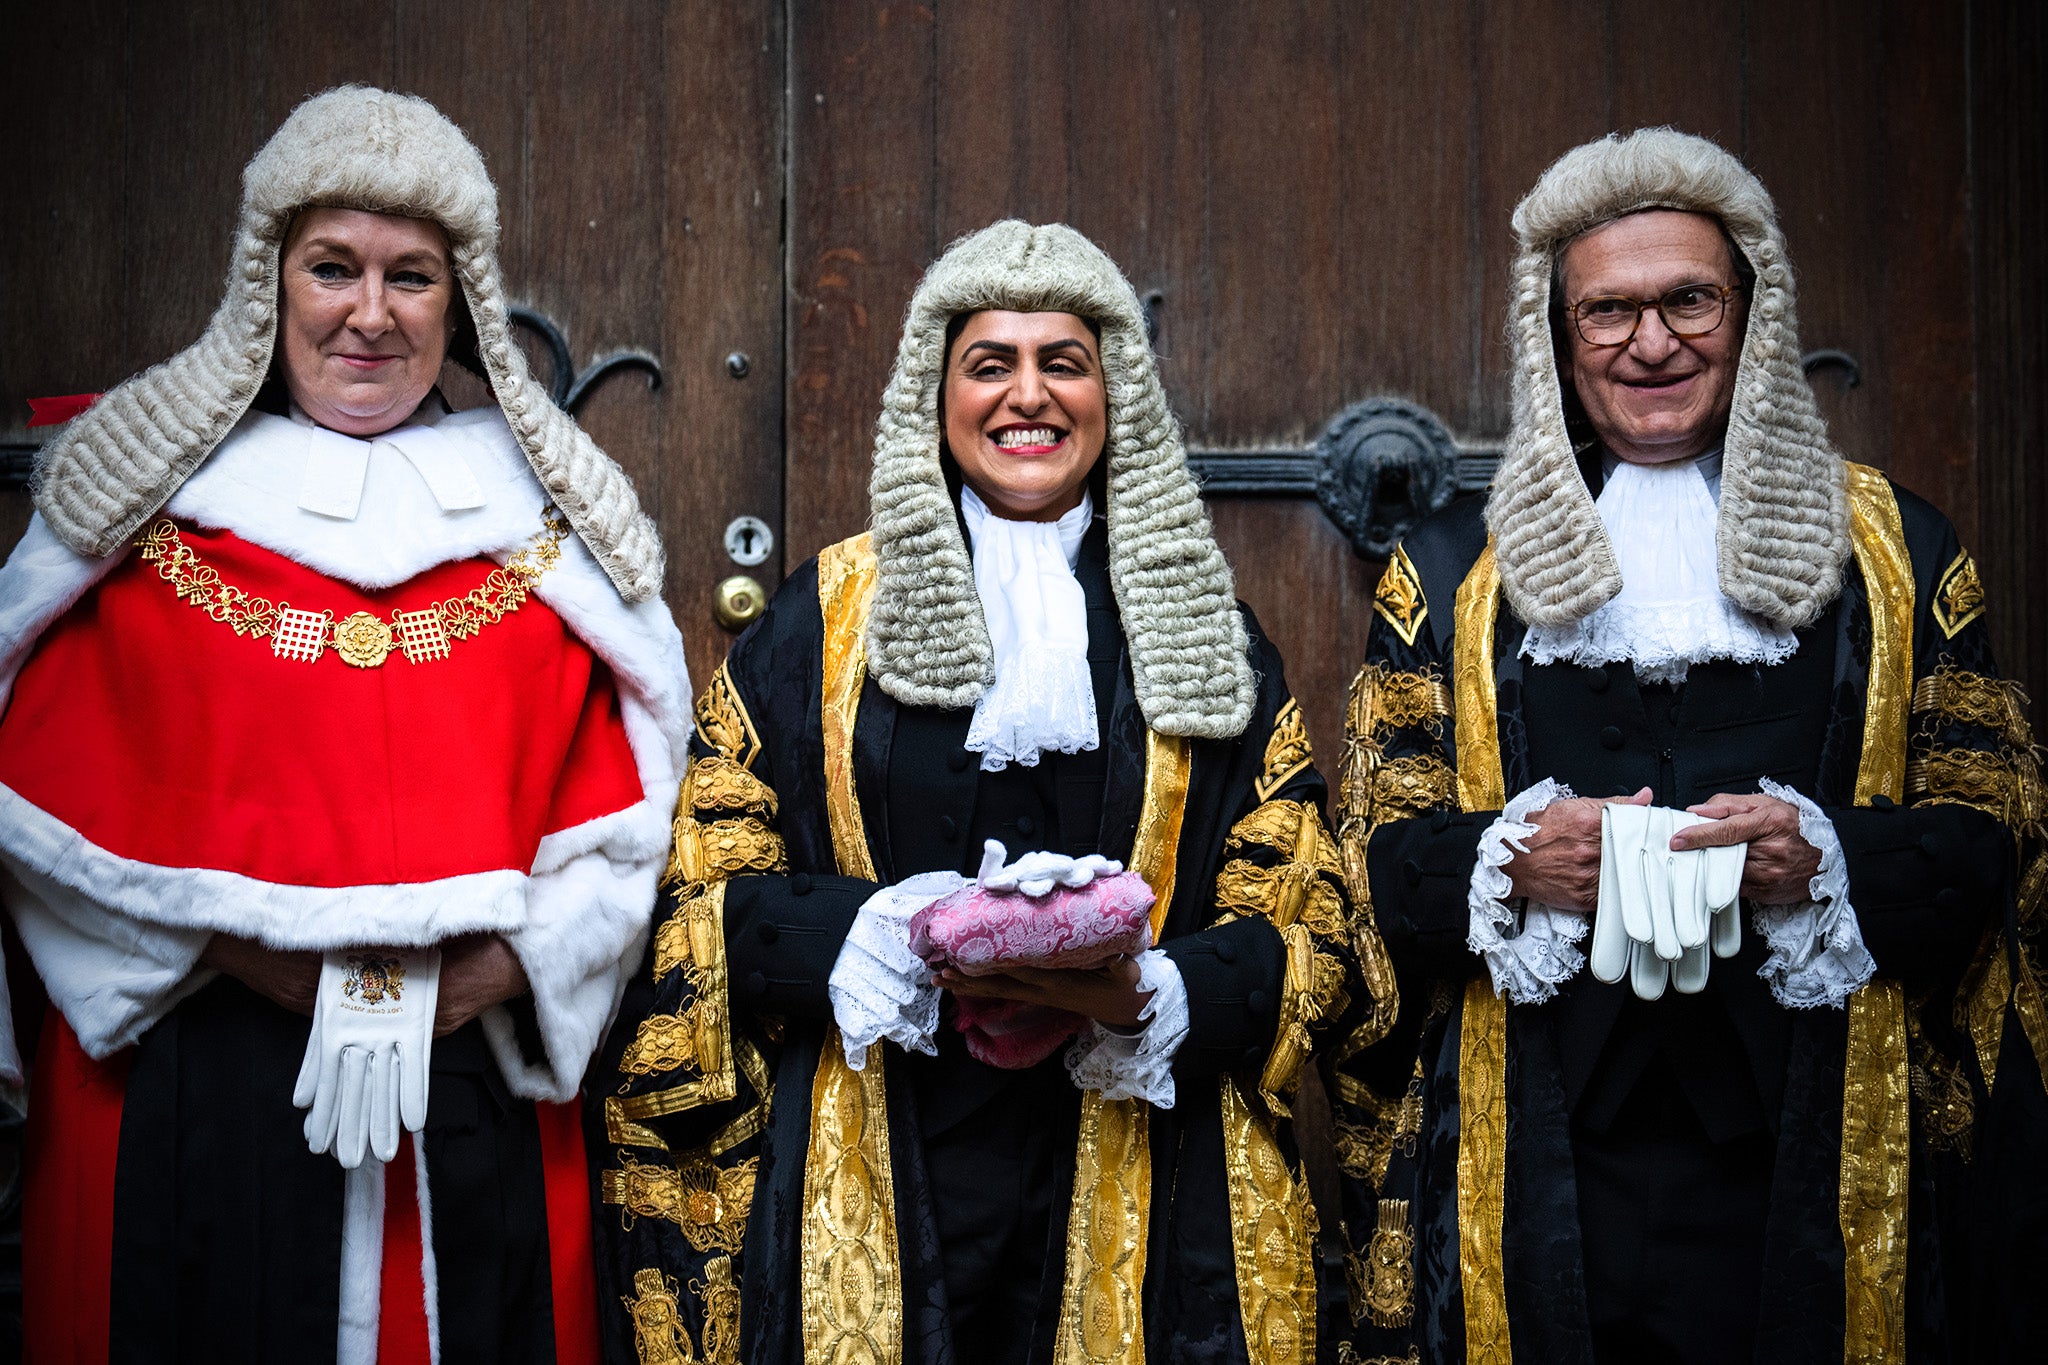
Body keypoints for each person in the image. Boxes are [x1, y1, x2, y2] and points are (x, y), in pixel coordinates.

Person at [587, 220, 1388, 1365]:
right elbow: (704, 891)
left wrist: (1148, 995)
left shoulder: (1206, 629)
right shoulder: (819, 624)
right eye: (989, 363)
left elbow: (1306, 910)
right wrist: (871, 935)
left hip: (1141, 1176)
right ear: (937, 393)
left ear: (1113, 393)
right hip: (873, 1151)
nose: (1028, 395)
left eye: (1062, 360)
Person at [0, 86, 689, 1362]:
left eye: (409, 276)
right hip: (194, 1082)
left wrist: (486, 976)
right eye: (333, 268)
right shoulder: (141, 516)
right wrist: (270, 963)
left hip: (473, 1085)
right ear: (271, 283)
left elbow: (631, 818)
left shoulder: (546, 526)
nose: (369, 314)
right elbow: (36, 814)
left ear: (460, 298)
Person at [1336, 127, 2040, 1363]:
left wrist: (1821, 864)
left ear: (1750, 315)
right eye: (1606, 312)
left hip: (1808, 1152)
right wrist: (1514, 862)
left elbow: (1987, 840)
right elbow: (1379, 859)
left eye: (1687, 301)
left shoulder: (1894, 553)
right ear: (1555, 339)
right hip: (1538, 1157)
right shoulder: (1452, 569)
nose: (1650, 343)